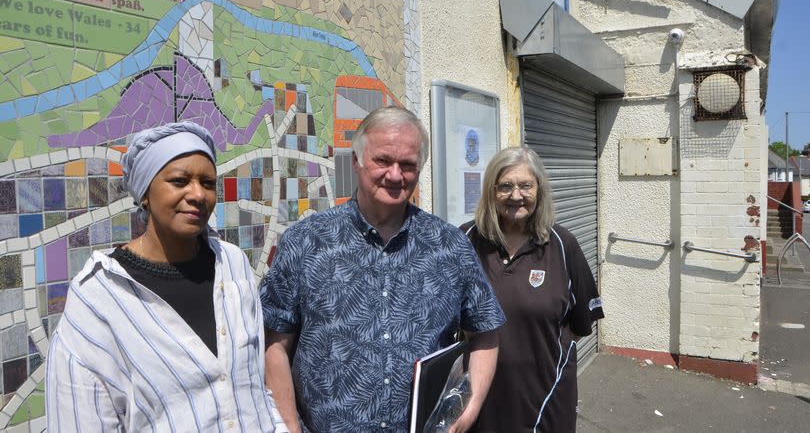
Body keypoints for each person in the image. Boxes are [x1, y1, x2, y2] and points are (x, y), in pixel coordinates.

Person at [260, 106, 506, 433]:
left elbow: (485, 332)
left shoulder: (450, 246)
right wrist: (288, 427)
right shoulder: (305, 242)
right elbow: (273, 342)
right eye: (383, 161)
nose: (394, 175)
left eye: (407, 165)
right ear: (356, 161)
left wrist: (468, 411)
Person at [46, 122, 287, 432]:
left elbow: (255, 388)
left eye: (208, 182)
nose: (198, 194)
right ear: (145, 193)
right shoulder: (99, 297)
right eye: (179, 181)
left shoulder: (233, 265)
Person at [461, 147, 604, 433]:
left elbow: (580, 323)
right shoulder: (466, 240)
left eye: (526, 185)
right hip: (479, 398)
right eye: (505, 187)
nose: (516, 196)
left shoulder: (563, 245)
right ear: (491, 191)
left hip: (546, 399)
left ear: (539, 190)